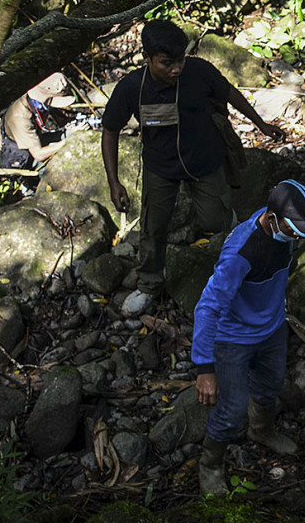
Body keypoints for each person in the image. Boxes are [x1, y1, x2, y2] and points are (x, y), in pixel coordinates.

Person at [100, 19, 285, 312]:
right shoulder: (131, 88)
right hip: (160, 168)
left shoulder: (198, 72)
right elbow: (109, 130)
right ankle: (149, 284)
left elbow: (229, 93)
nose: (176, 69)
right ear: (147, 59)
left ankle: (240, 267)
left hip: (205, 161)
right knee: (153, 228)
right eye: (166, 63)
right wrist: (113, 182)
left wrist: (260, 123)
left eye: (181, 60)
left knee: (218, 221)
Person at [193, 180, 305, 495]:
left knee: (269, 386)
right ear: (271, 219)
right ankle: (211, 463)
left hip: (271, 328)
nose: (300, 235)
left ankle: (262, 430)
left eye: (303, 228)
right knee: (231, 413)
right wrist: (204, 367)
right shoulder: (240, 253)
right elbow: (207, 308)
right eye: (294, 228)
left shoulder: (283, 221)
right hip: (233, 338)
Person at [0, 72, 74, 192]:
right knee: (47, 167)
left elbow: (62, 121)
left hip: (31, 141)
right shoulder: (20, 118)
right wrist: (67, 142)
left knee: (68, 133)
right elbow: (39, 154)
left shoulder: (38, 102)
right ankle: (28, 186)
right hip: (15, 156)